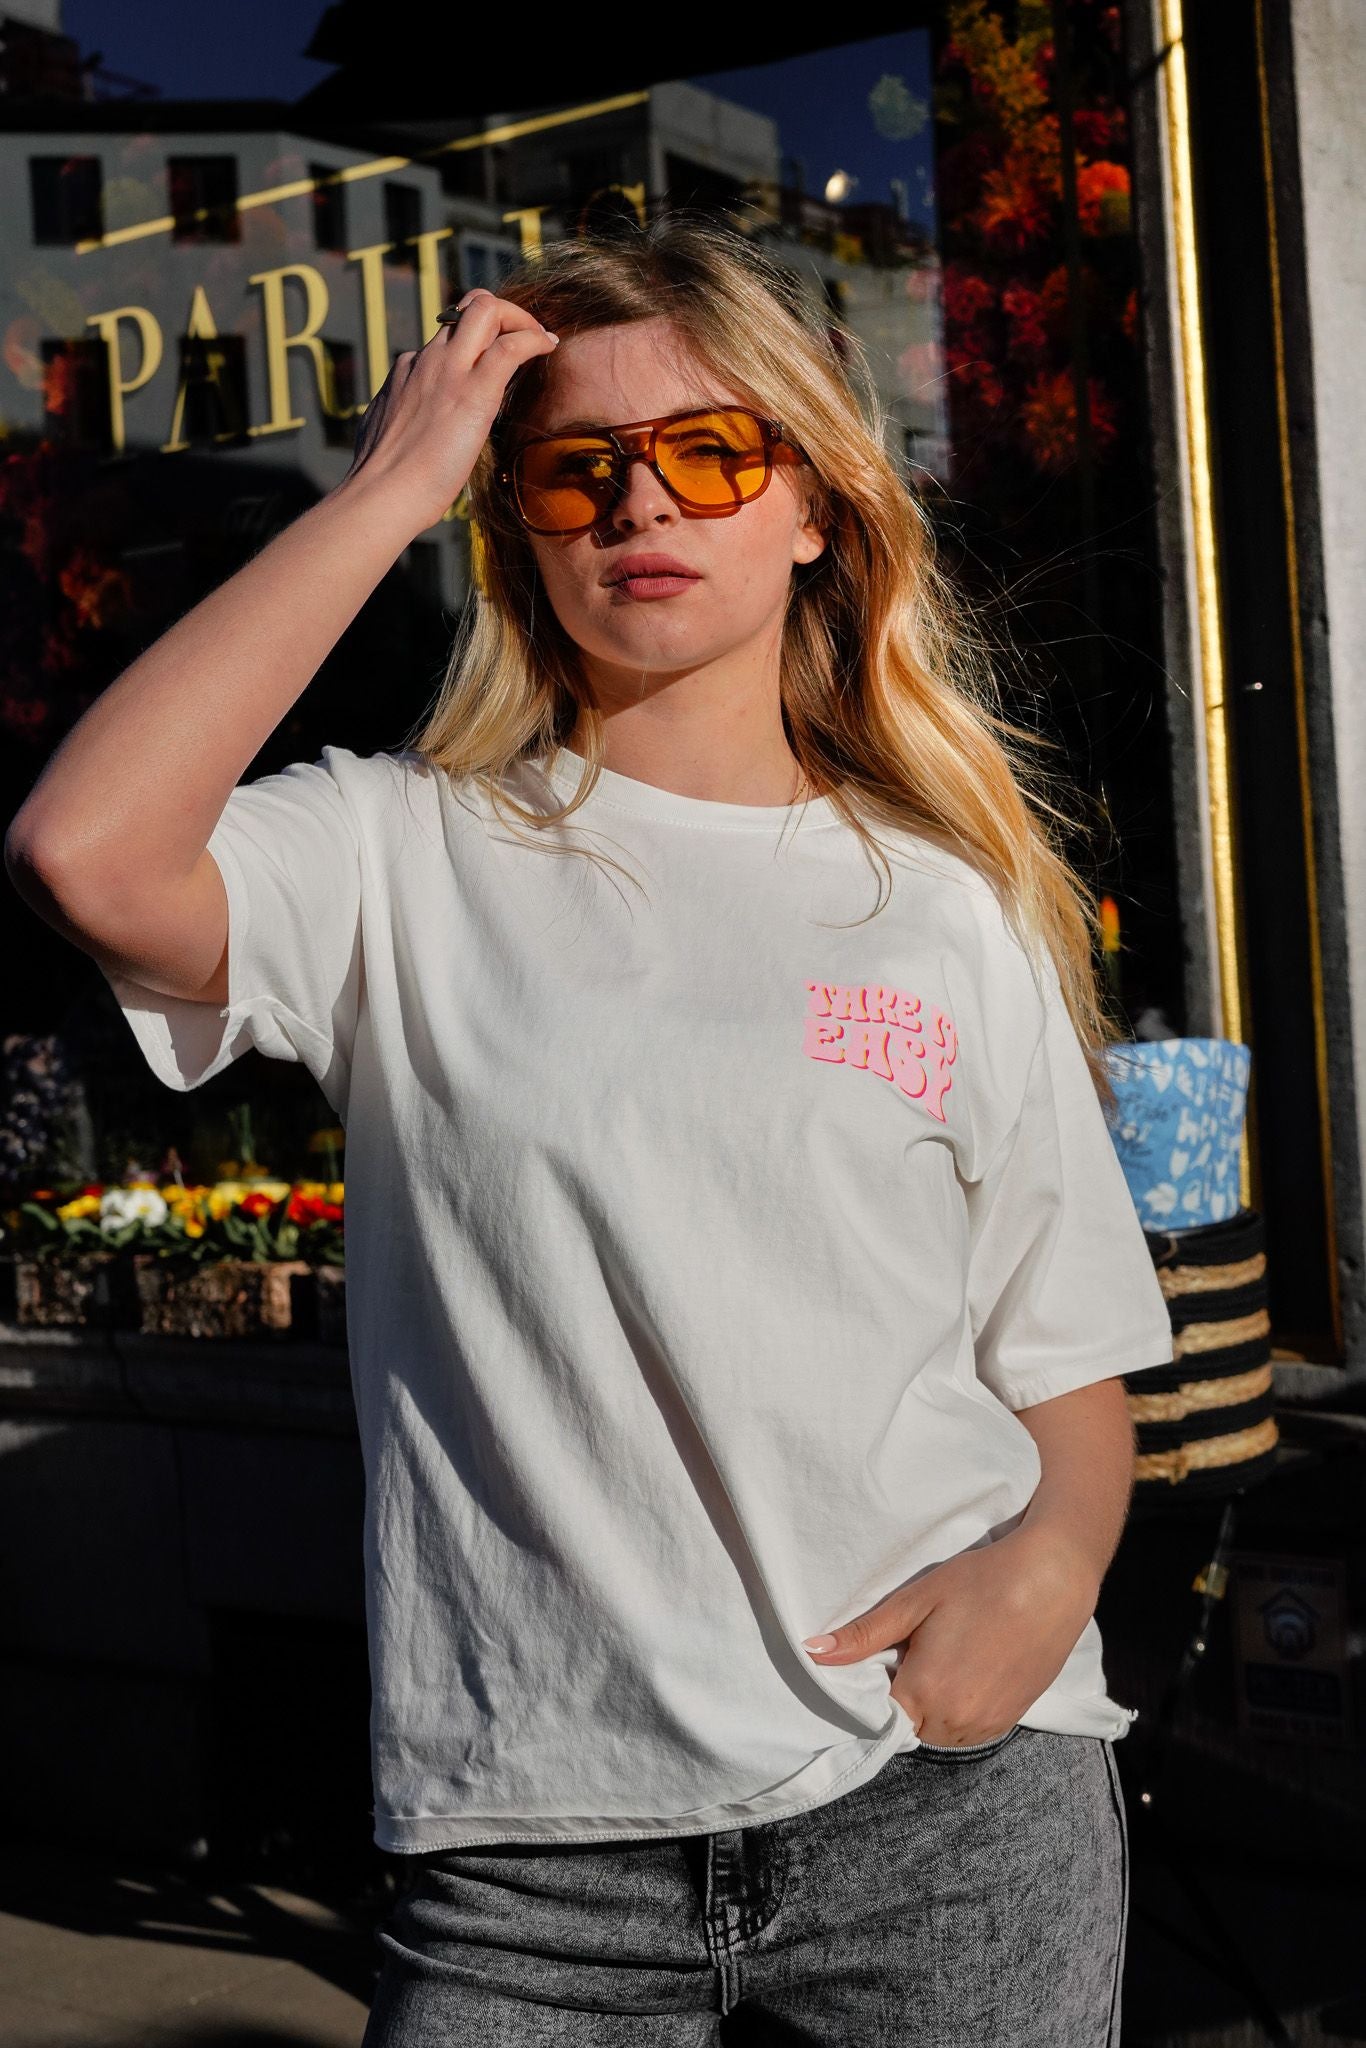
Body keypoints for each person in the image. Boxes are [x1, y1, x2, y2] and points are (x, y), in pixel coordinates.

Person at [5, 215, 1175, 2045]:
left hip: (947, 1803)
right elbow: (84, 851)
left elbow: (1066, 1357)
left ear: (814, 505)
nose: (642, 502)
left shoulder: (943, 906)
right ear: (517, 525)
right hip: (533, 1854)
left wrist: (1045, 1575)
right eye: (576, 468)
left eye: (709, 451)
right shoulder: (403, 852)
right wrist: (386, 491)